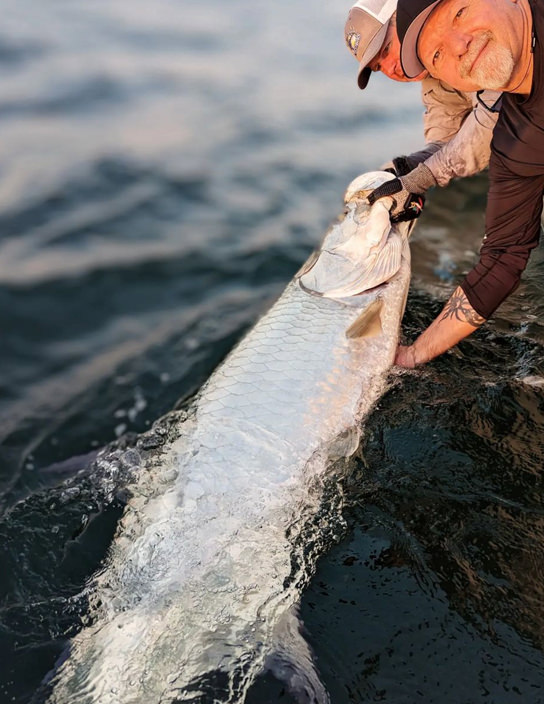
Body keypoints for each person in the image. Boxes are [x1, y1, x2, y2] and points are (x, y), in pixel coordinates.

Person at [379, 0, 542, 367]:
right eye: (436, 55)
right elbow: (501, 259)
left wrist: (425, 174)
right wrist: (413, 354)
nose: (458, 44)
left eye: (460, 13)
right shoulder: (517, 147)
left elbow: (475, 136)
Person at [344, 0, 500, 222]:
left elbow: (498, 118)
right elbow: (443, 141)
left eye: (386, 49)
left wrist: (420, 179)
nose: (390, 69)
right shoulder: (433, 79)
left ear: (405, 17)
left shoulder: (467, 31)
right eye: (378, 67)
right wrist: (403, 168)